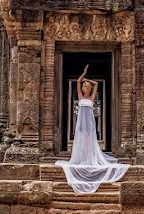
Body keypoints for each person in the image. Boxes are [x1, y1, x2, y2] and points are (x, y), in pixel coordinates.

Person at [55, 65, 129, 194]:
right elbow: (77, 81)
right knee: (81, 141)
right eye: (83, 86)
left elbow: (96, 85)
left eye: (85, 86)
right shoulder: (80, 97)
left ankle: (89, 159)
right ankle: (82, 159)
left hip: (90, 123)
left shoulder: (91, 98)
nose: (84, 87)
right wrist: (84, 74)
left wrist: (88, 80)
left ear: (88, 88)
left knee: (89, 142)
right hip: (80, 124)